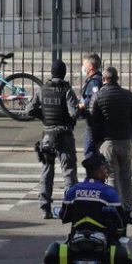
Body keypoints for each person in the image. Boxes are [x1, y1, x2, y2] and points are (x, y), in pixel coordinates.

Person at [44, 154, 132, 264]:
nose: (106, 172)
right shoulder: (109, 192)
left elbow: (64, 216)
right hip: (101, 242)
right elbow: (120, 220)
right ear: (99, 171)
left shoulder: (73, 190)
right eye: (105, 169)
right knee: (124, 255)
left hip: (77, 240)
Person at [25, 59, 81, 219]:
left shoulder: (42, 90)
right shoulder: (67, 91)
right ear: (64, 73)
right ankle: (70, 207)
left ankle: (45, 208)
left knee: (46, 172)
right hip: (64, 135)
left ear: (51, 73)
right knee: (69, 173)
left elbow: (29, 111)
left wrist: (43, 116)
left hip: (48, 136)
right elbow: (74, 113)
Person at [90, 66, 132, 223]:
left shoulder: (98, 96)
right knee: (126, 176)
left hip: (108, 142)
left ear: (104, 79)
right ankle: (127, 209)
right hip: (125, 141)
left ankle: (115, 208)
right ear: (117, 79)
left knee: (112, 175)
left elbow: (93, 123)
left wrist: (96, 142)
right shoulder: (128, 95)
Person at [78, 53, 103, 159]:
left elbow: (94, 97)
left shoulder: (94, 81)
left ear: (91, 67)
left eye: (84, 64)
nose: (82, 67)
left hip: (94, 121)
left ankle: (94, 168)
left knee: (89, 151)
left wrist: (83, 105)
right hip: (96, 121)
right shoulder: (97, 78)